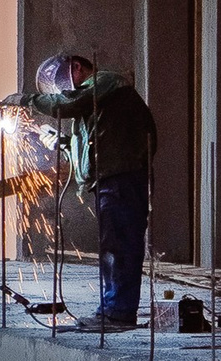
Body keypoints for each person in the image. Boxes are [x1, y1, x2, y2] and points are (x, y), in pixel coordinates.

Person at [28, 52, 157, 327]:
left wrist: (25, 101)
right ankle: (112, 309)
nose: (62, 93)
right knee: (113, 247)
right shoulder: (97, 102)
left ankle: (118, 312)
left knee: (120, 247)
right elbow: (94, 142)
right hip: (111, 179)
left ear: (76, 67)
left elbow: (68, 103)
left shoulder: (105, 82)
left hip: (121, 178)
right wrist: (63, 142)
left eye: (61, 85)